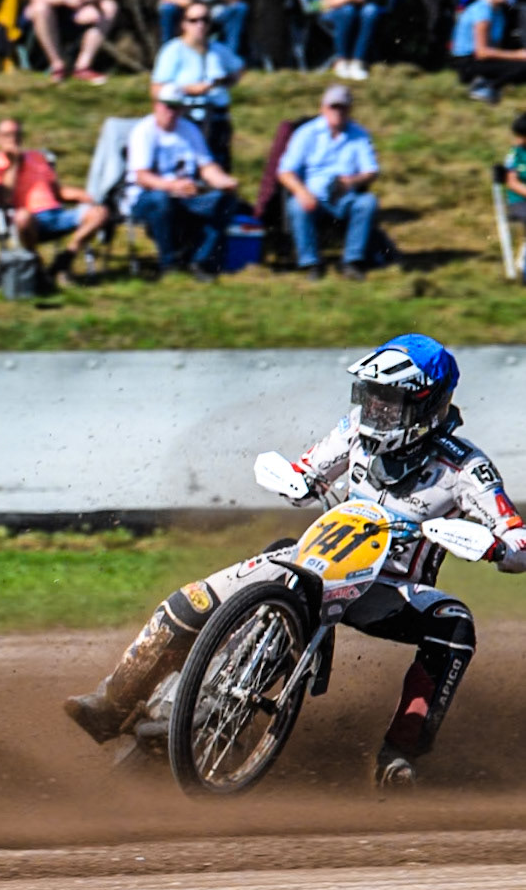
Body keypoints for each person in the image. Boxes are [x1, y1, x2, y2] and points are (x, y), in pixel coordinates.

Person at [64, 335, 526, 789]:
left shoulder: (465, 469)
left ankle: (399, 756)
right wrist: (299, 480)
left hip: (389, 590)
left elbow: (518, 541)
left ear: (428, 406)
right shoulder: (354, 431)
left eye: (390, 400)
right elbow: (308, 469)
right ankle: (113, 701)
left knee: (454, 623)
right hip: (320, 560)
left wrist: (492, 547)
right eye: (371, 397)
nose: (376, 410)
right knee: (196, 598)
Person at [125, 84, 239, 281]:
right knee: (161, 201)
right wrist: (172, 186)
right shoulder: (143, 131)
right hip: (145, 197)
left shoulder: (189, 130)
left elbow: (206, 166)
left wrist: (223, 181)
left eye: (176, 107)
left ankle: (200, 260)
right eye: (167, 106)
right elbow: (142, 176)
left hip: (186, 194)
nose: (172, 112)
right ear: (156, 105)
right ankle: (169, 264)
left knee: (224, 201)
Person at [278, 84, 385, 282]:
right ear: (323, 108)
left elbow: (372, 170)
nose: (338, 112)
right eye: (333, 107)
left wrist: (353, 180)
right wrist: (302, 192)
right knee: (296, 206)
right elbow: (285, 171)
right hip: (313, 195)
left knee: (367, 202)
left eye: (342, 107)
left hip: (345, 196)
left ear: (350, 109)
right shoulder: (306, 133)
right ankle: (311, 263)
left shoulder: (359, 135)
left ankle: (352, 261)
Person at [0, 118, 108, 282]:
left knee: (100, 212)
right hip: (30, 220)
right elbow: (4, 198)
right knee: (22, 217)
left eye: (16, 134)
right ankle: (37, 266)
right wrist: (13, 164)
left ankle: (65, 258)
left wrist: (81, 195)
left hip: (56, 213)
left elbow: (58, 192)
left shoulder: (38, 156)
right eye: (7, 135)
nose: (13, 138)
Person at [151, 0, 243, 170]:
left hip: (217, 118)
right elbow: (157, 90)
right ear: (184, 23)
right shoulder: (173, 51)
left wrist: (224, 81)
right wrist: (187, 90)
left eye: (205, 20)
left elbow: (237, 69)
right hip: (187, 118)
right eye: (194, 20)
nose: (200, 25)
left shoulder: (218, 50)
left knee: (220, 166)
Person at [452, 0, 526, 105]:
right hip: (468, 62)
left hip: (484, 59)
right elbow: (482, 53)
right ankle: (484, 86)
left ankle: (488, 81)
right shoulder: (482, 10)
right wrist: (518, 55)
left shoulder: (499, 11)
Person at [26, 0, 115, 84]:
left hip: (75, 12)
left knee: (109, 6)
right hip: (44, 13)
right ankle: (57, 66)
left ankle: (82, 68)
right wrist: (65, 0)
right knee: (40, 8)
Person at [317, 0, 387, 81]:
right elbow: (312, 5)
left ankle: (359, 62)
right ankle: (342, 61)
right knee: (348, 11)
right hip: (331, 11)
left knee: (371, 11)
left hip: (362, 8)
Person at [158, 0, 245, 53]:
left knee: (240, 8)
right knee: (167, 9)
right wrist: (189, 2)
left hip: (216, 11)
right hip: (186, 9)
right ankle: (168, 54)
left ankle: (230, 58)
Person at [500, 112, 526, 227]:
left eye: (522, 135)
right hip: (520, 202)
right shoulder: (515, 153)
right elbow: (512, 183)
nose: (518, 140)